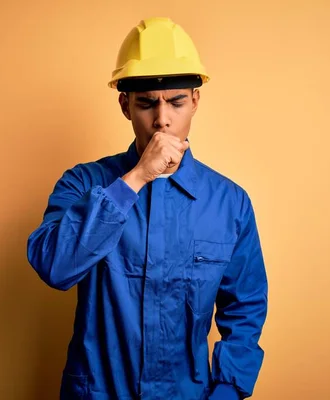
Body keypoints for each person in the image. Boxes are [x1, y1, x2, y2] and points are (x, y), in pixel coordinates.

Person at [27, 17, 268, 400]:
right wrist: (135, 179)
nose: (162, 120)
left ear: (195, 101)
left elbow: (245, 311)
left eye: (176, 102)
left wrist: (225, 392)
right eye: (146, 104)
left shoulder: (230, 204)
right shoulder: (83, 183)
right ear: (125, 106)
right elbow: (54, 267)